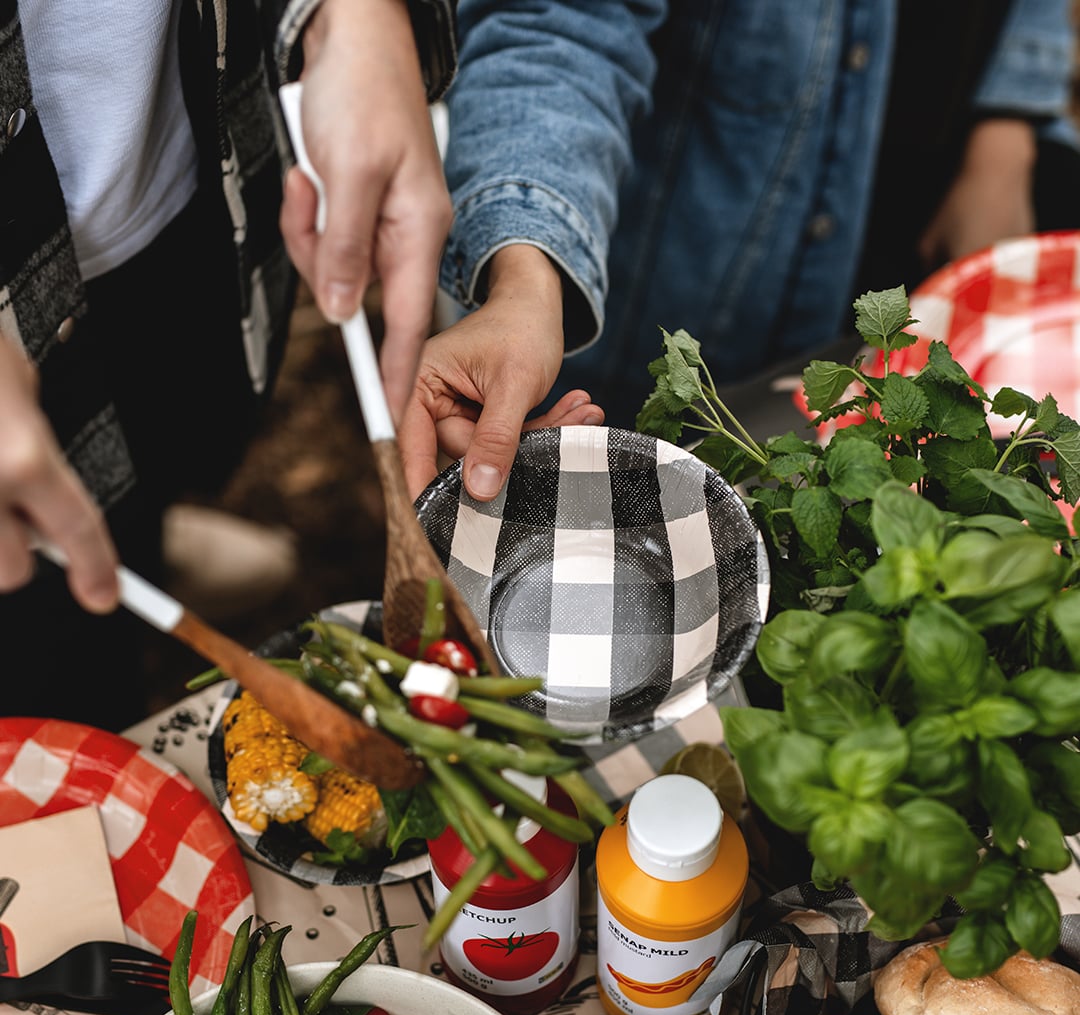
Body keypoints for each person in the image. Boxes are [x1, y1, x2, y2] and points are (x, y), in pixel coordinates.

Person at [400, 0, 1080, 504]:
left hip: (903, 231)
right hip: (661, 295)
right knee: (615, 546)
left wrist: (1006, 128)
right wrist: (527, 280)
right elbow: (555, 28)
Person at [0, 0, 456, 728]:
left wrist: (350, 14)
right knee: (43, 653)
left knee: (177, 418)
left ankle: (149, 539)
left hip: (183, 151)